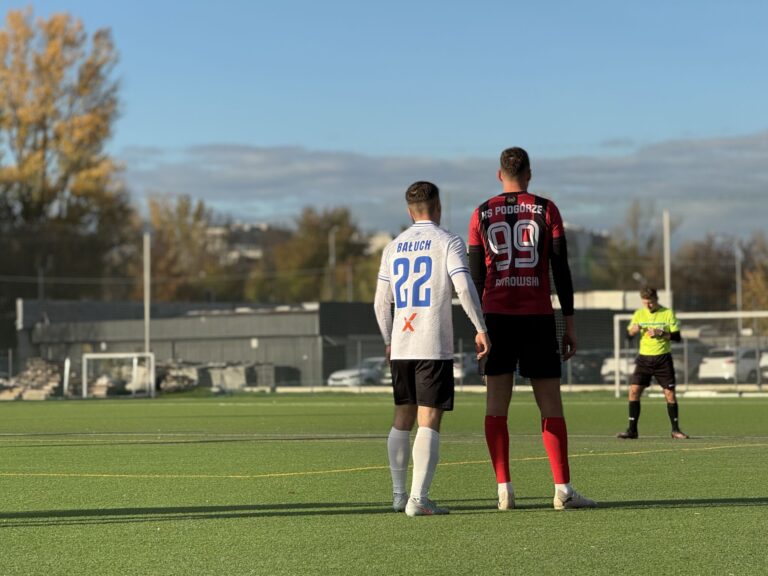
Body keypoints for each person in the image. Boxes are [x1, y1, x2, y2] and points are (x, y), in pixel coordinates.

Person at [468, 147, 596, 511]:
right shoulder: (546, 209)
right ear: (529, 173)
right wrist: (569, 322)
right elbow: (561, 269)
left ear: (499, 174)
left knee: (496, 405)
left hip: (495, 317)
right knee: (550, 404)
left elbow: (476, 277)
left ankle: (504, 490)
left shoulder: (480, 213)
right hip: (537, 316)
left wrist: (478, 327)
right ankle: (563, 490)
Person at [374, 181, 491, 517]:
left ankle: (399, 495)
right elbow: (464, 287)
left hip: (402, 344)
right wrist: (480, 327)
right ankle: (418, 499)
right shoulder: (448, 241)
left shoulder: (393, 247)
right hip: (431, 343)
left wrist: (388, 340)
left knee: (402, 417)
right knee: (429, 419)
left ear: (409, 211)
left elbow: (380, 303)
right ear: (437, 207)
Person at [617, 287, 689, 440]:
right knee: (634, 391)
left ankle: (675, 430)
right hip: (644, 360)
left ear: (656, 300)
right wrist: (632, 332)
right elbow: (628, 336)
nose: (648, 306)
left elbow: (677, 337)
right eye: (645, 303)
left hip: (663, 359)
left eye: (650, 302)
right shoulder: (639, 314)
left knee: (669, 394)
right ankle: (632, 430)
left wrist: (660, 333)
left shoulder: (667, 313)